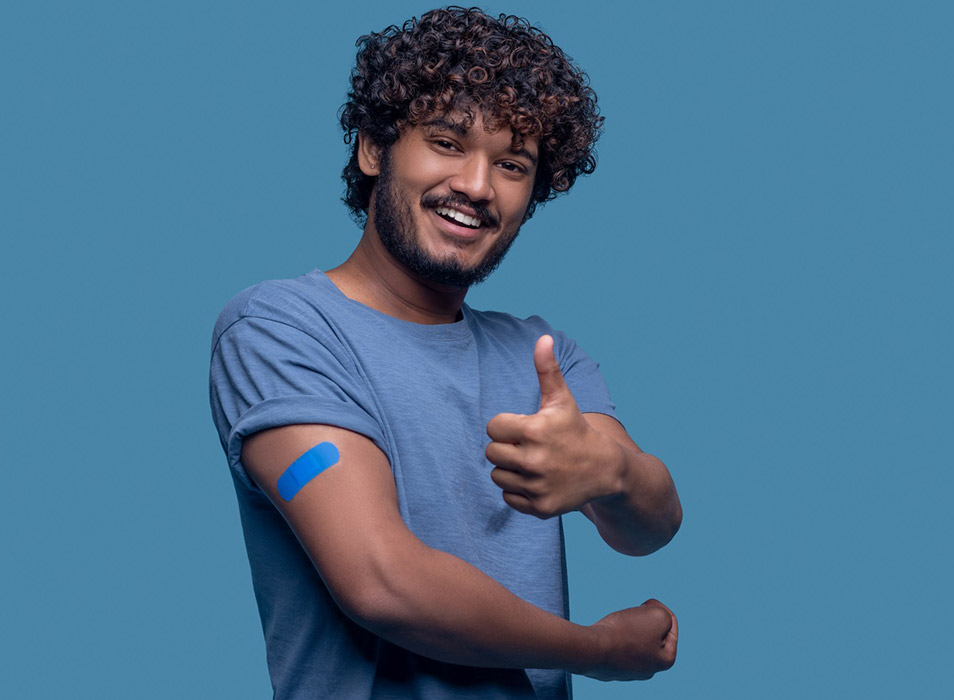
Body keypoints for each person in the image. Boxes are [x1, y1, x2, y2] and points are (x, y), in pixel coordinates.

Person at [209, 7, 682, 699]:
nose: (477, 185)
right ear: (375, 148)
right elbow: (382, 582)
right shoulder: (281, 330)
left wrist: (609, 471)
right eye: (447, 142)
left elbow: (652, 525)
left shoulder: (542, 355)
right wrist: (597, 648)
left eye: (512, 164)